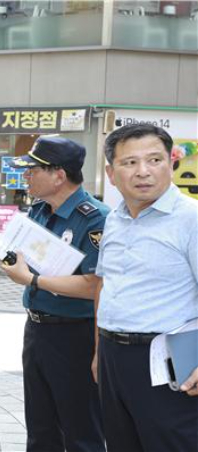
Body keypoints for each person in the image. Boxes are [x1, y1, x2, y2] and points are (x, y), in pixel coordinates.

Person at [0, 136, 108, 452]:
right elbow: (22, 263)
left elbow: (95, 285)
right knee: (40, 427)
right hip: (37, 330)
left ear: (59, 175)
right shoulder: (39, 209)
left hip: (75, 335)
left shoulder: (95, 218)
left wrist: (35, 281)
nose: (25, 175)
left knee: (81, 430)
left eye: (32, 169)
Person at [93, 123, 198, 451]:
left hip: (168, 361)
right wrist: (99, 349)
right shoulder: (115, 218)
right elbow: (105, 284)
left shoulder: (190, 219)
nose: (143, 172)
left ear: (171, 163)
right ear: (111, 173)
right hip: (113, 356)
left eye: (155, 160)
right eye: (130, 163)